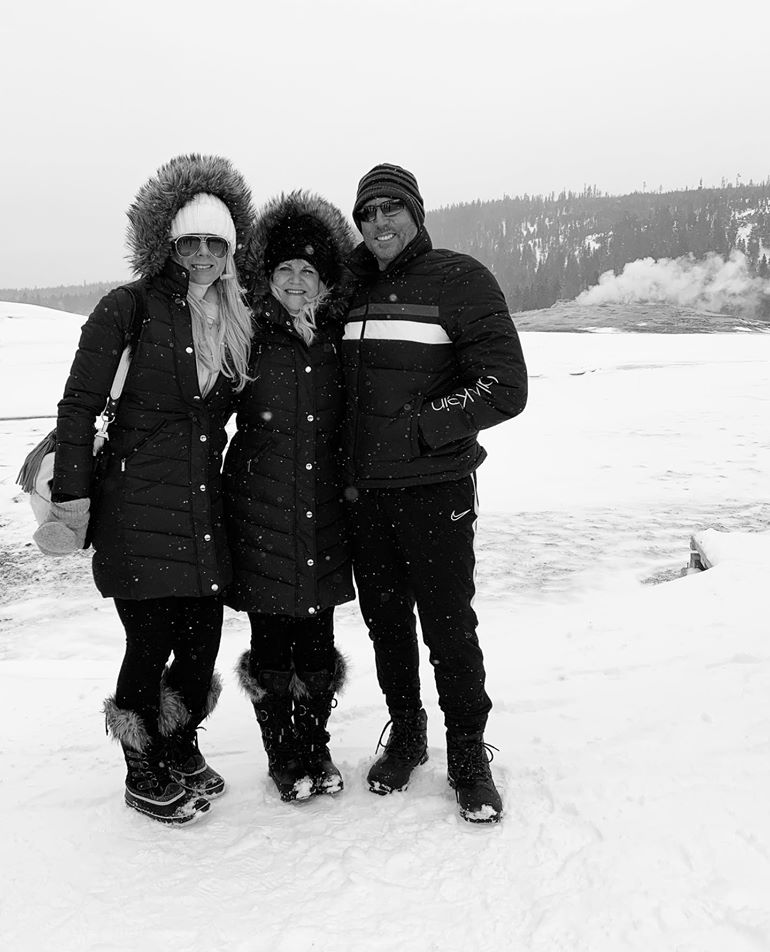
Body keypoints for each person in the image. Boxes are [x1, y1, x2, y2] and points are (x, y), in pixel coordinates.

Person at [35, 154, 255, 824]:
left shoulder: (236, 320)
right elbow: (77, 408)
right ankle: (142, 768)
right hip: (135, 509)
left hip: (202, 511)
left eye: (214, 243)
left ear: (230, 250)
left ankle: (179, 743)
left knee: (201, 645)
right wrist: (72, 505)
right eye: (189, 241)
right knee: (149, 641)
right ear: (169, 244)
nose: (201, 254)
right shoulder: (127, 308)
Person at [342, 163, 528, 823]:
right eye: (367, 214)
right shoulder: (350, 286)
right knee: (386, 624)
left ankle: (469, 753)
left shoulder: (459, 278)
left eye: (391, 209)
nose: (379, 224)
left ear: (416, 213)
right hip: (364, 496)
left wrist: (421, 431)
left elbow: (505, 385)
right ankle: (409, 733)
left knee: (450, 625)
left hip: (435, 488)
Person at [225, 191, 356, 802]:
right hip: (261, 513)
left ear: (325, 279)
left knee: (319, 642)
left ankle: (316, 745)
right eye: (284, 270)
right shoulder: (246, 335)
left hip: (326, 512)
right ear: (267, 277)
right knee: (273, 642)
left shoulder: (340, 339)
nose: (296, 281)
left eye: (308, 270)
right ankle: (284, 754)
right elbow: (200, 411)